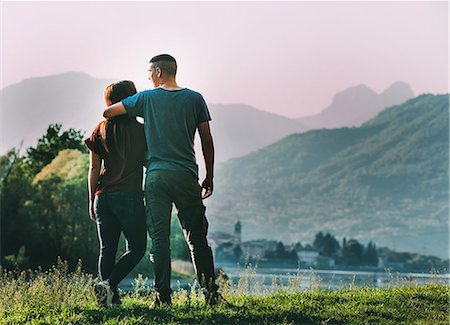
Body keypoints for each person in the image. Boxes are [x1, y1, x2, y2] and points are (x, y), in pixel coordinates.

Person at [103, 54, 221, 307]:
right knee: (197, 239)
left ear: (158, 72)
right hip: (186, 176)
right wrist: (209, 175)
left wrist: (136, 119)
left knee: (160, 240)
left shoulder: (146, 98)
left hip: (156, 178)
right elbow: (207, 141)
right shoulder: (195, 98)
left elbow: (108, 111)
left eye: (149, 74)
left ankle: (162, 298)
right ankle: (212, 297)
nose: (148, 78)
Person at [86, 80, 147, 308]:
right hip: (128, 197)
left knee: (107, 250)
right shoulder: (142, 130)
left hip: (103, 196)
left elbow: (94, 168)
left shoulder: (99, 129)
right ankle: (110, 286)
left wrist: (92, 198)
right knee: (137, 248)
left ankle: (110, 300)